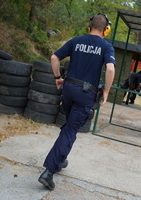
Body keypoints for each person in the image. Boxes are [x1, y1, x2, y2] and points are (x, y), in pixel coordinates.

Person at [38, 13, 116, 190]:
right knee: (71, 130)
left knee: (68, 125)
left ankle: (61, 158)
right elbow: (110, 69)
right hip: (86, 93)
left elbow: (54, 57)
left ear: (90, 26)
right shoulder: (106, 46)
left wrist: (58, 77)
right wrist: (106, 92)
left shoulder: (76, 41)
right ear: (106, 29)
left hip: (69, 88)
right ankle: (49, 172)